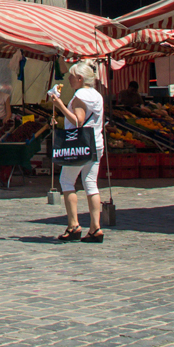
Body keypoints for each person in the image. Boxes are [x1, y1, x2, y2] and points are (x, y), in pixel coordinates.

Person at [48, 62, 106, 242]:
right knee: (90, 183)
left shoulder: (80, 95)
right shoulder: (96, 94)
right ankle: (96, 227)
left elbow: (78, 121)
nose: (69, 79)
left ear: (80, 78)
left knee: (66, 181)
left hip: (81, 145)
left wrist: (59, 105)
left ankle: (74, 225)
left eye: (71, 76)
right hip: (96, 142)